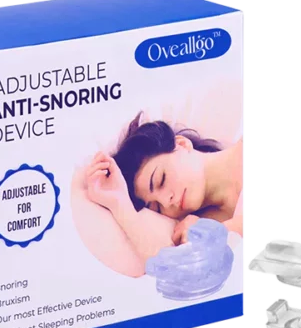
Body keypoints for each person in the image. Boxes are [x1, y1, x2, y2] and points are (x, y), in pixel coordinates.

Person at [85, 111, 244, 271]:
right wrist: (119, 204)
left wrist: (215, 233)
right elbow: (167, 269)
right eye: (158, 208)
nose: (166, 202)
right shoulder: (194, 227)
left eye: (161, 180)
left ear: (181, 144)